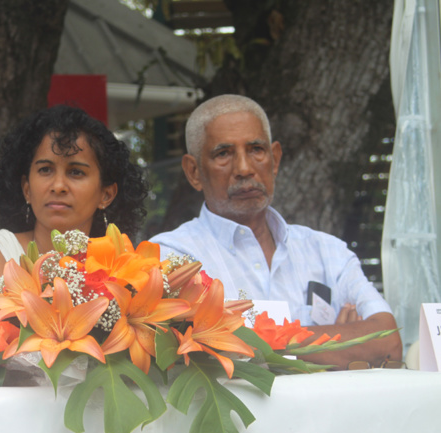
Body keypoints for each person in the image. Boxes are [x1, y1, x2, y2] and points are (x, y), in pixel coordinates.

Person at [150, 94, 401, 370]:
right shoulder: (173, 257)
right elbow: (201, 353)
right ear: (194, 172)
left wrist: (252, 341)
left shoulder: (328, 251)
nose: (244, 169)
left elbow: (387, 342)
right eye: (223, 153)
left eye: (256, 149)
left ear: (275, 159)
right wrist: (335, 341)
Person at [0, 104, 149, 294]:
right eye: (45, 170)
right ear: (27, 189)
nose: (58, 186)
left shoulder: (124, 267)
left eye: (76, 172)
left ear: (106, 195)